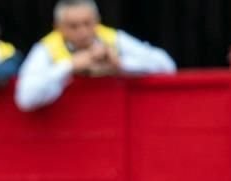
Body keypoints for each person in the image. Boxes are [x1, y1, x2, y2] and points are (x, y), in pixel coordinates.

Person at [15, 0, 176, 111]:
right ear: (58, 27)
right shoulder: (46, 48)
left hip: (113, 118)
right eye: (74, 26)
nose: (83, 32)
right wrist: (69, 66)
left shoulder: (112, 38)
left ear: (97, 21)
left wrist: (120, 64)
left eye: (87, 23)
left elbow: (167, 66)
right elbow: (25, 99)